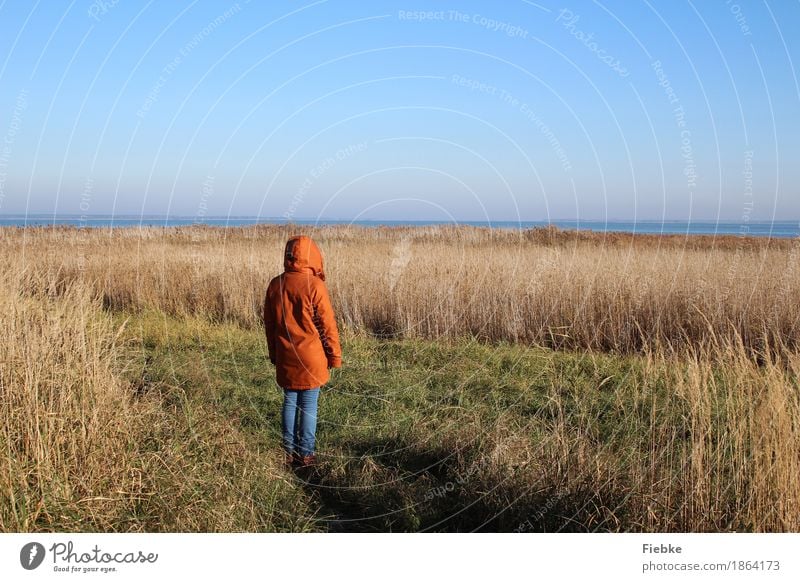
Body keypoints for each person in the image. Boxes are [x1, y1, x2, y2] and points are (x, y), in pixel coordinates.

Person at [263, 235, 342, 469]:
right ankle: (306, 455)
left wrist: (274, 354)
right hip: (312, 358)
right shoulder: (315, 286)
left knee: (289, 402)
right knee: (309, 404)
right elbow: (327, 325)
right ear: (312, 256)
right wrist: (334, 356)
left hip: (286, 356)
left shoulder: (275, 284)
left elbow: (270, 325)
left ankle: (288, 453)